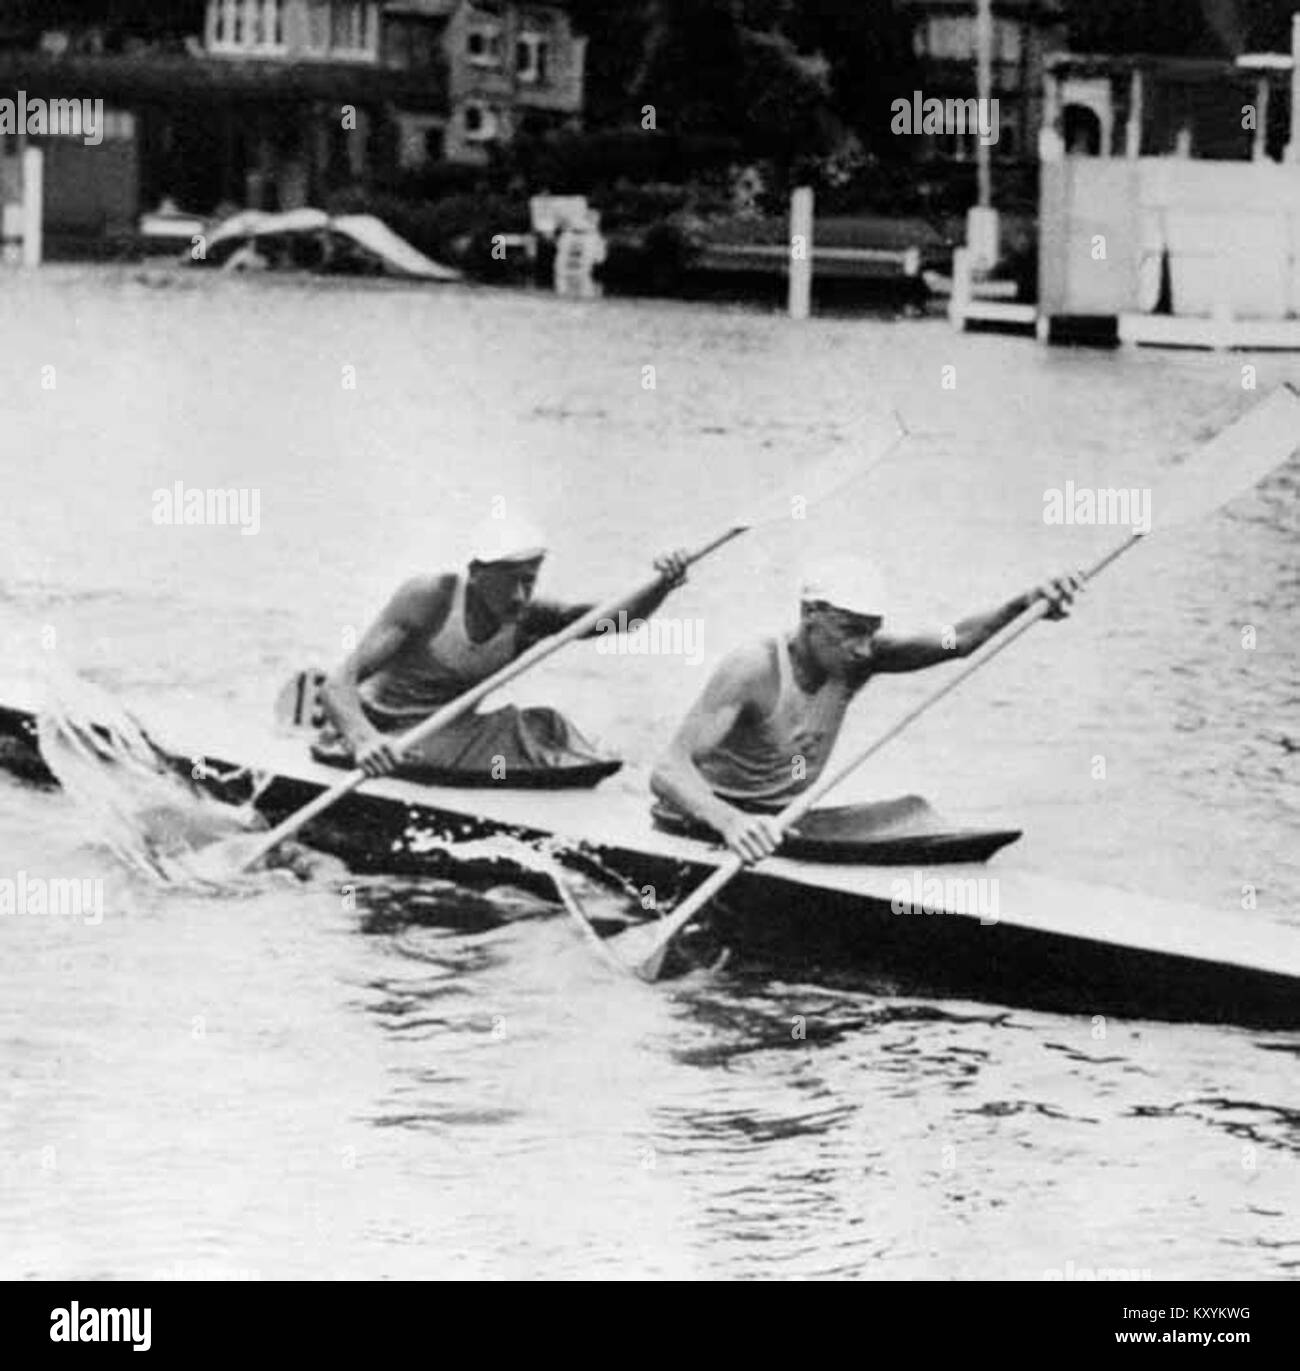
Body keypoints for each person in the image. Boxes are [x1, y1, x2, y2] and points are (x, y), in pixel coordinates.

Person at [650, 556, 1082, 863]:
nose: (862, 649)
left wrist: (1024, 605)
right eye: (851, 631)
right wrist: (731, 823)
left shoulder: (863, 656)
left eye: (871, 633)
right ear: (810, 614)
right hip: (699, 824)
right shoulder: (753, 668)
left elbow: (958, 641)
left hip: (778, 827)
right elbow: (668, 770)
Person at [317, 516, 689, 782]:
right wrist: (364, 740)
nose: (519, 596)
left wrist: (660, 586)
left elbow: (613, 622)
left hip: (452, 734)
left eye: (529, 582)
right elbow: (337, 684)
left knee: (548, 728)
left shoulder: (529, 617)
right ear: (477, 573)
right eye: (508, 583)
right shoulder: (431, 597)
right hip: (383, 732)